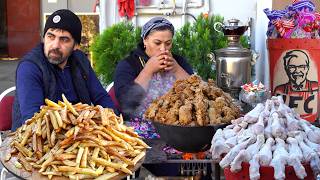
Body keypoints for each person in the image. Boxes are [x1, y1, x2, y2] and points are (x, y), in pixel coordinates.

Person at [12, 9, 115, 130]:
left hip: (80, 133)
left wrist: (114, 121)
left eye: (64, 39)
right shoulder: (30, 66)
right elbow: (32, 120)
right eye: (51, 36)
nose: (55, 45)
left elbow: (101, 97)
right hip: (36, 140)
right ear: (44, 38)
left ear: (76, 45)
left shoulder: (80, 60)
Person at [114, 17, 193, 139]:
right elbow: (126, 102)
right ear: (145, 40)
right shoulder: (128, 64)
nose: (163, 49)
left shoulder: (179, 62)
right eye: (157, 43)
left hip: (177, 130)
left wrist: (176, 69)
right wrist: (148, 70)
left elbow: (196, 94)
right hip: (138, 133)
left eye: (168, 43)